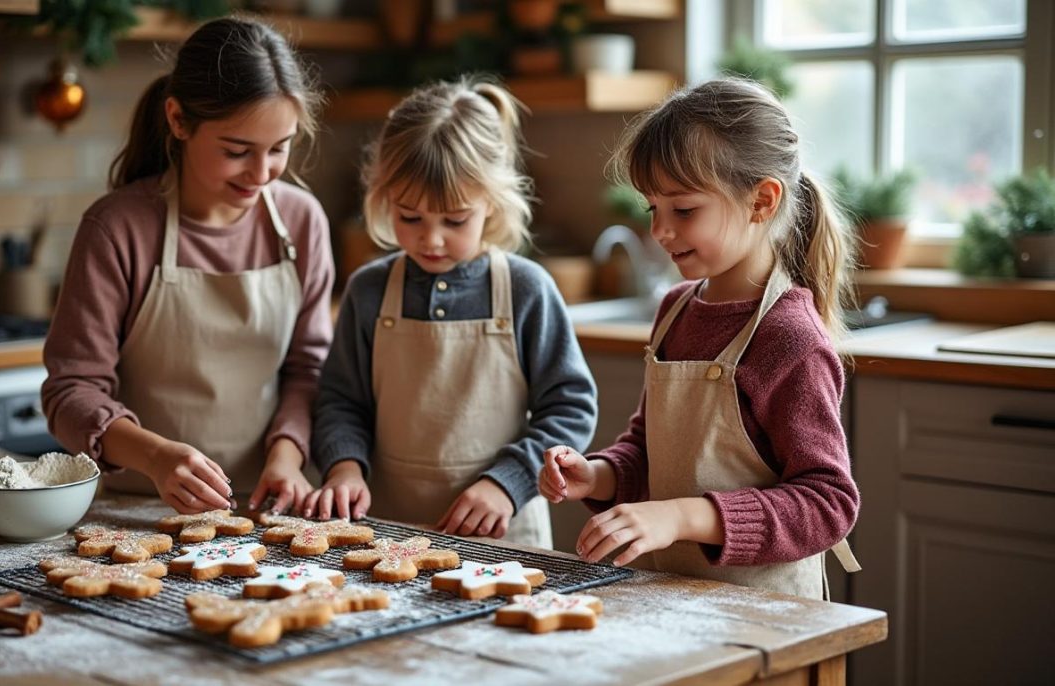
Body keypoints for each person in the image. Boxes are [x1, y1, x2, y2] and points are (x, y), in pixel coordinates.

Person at [540, 79, 862, 598]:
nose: (660, 232)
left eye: (683, 210)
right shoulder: (676, 311)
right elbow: (649, 453)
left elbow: (827, 503)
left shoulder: (790, 338)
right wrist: (596, 475)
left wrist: (682, 516)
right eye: (653, 210)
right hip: (673, 597)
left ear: (761, 201)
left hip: (767, 615)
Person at [42, 17, 333, 515]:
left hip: (271, 506)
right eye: (237, 151)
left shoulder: (302, 221)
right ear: (178, 121)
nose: (261, 174)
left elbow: (308, 370)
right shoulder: (118, 229)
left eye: (279, 149)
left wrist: (287, 457)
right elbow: (72, 391)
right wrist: (156, 458)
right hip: (139, 511)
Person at [306, 78, 597, 548]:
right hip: (387, 532)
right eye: (410, 217)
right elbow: (341, 402)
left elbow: (569, 408)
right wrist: (344, 467)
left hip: (503, 534)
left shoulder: (527, 290)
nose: (432, 239)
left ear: (492, 203)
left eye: (455, 220)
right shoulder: (370, 290)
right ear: (383, 199)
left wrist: (508, 482)